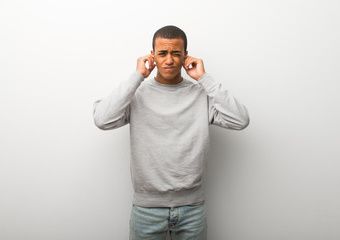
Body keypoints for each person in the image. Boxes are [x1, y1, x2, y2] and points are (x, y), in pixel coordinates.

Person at [93, 25, 249, 240]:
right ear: (152, 56)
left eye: (176, 53)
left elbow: (240, 120)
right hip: (146, 209)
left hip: (192, 208)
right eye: (162, 53)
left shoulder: (200, 95)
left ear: (185, 56)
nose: (169, 60)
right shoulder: (137, 94)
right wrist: (137, 76)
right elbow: (102, 120)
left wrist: (204, 78)